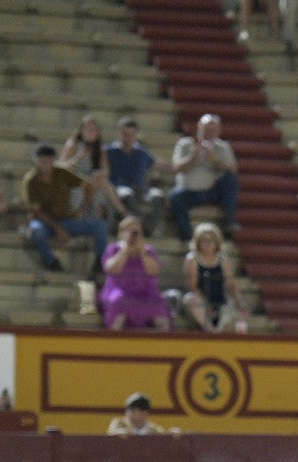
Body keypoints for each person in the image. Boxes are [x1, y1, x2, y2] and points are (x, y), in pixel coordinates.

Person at [22, 144, 111, 274]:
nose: (46, 165)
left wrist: (80, 210)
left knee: (100, 226)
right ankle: (51, 262)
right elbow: (36, 212)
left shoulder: (62, 173)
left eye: (49, 161)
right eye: (42, 161)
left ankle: (100, 264)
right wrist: (58, 229)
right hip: (45, 222)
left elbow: (89, 187)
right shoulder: (30, 181)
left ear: (53, 160)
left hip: (67, 220)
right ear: (36, 161)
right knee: (37, 230)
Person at [170, 114, 240, 243]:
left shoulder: (223, 147)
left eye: (213, 130)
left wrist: (215, 161)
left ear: (219, 131)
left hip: (210, 192)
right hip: (189, 192)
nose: (209, 134)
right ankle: (188, 237)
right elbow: (176, 167)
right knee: (175, 197)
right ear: (199, 128)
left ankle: (229, 221)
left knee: (230, 179)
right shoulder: (185, 144)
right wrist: (192, 158)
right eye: (206, 130)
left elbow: (233, 169)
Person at [99, 216, 173, 330]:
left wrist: (142, 252)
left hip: (146, 294)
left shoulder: (148, 250)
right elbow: (111, 269)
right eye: (129, 231)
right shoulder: (114, 249)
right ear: (122, 233)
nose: (133, 235)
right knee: (119, 307)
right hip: (120, 292)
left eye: (136, 232)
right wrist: (125, 251)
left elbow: (154, 271)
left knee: (160, 313)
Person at [181, 222, 249, 333]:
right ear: (198, 242)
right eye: (204, 240)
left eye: (210, 240)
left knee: (240, 317)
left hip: (220, 303)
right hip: (200, 303)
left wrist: (240, 303)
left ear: (217, 242)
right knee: (191, 299)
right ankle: (211, 332)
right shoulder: (192, 259)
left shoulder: (223, 259)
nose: (207, 244)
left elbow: (231, 284)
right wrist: (207, 305)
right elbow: (192, 286)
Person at [106, 118, 167, 237]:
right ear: (118, 133)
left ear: (136, 135)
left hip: (142, 188)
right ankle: (142, 225)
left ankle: (147, 229)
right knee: (126, 195)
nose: (128, 138)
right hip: (119, 188)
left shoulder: (141, 152)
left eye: (131, 134)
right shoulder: (109, 151)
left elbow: (157, 163)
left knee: (158, 195)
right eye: (125, 134)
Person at [60, 115, 127, 223]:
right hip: (73, 179)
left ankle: (101, 219)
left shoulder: (100, 150)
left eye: (94, 130)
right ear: (81, 130)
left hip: (91, 180)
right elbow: (61, 168)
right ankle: (123, 212)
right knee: (86, 189)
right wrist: (78, 157)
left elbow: (105, 170)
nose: (91, 132)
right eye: (88, 129)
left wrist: (99, 174)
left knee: (101, 185)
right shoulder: (73, 145)